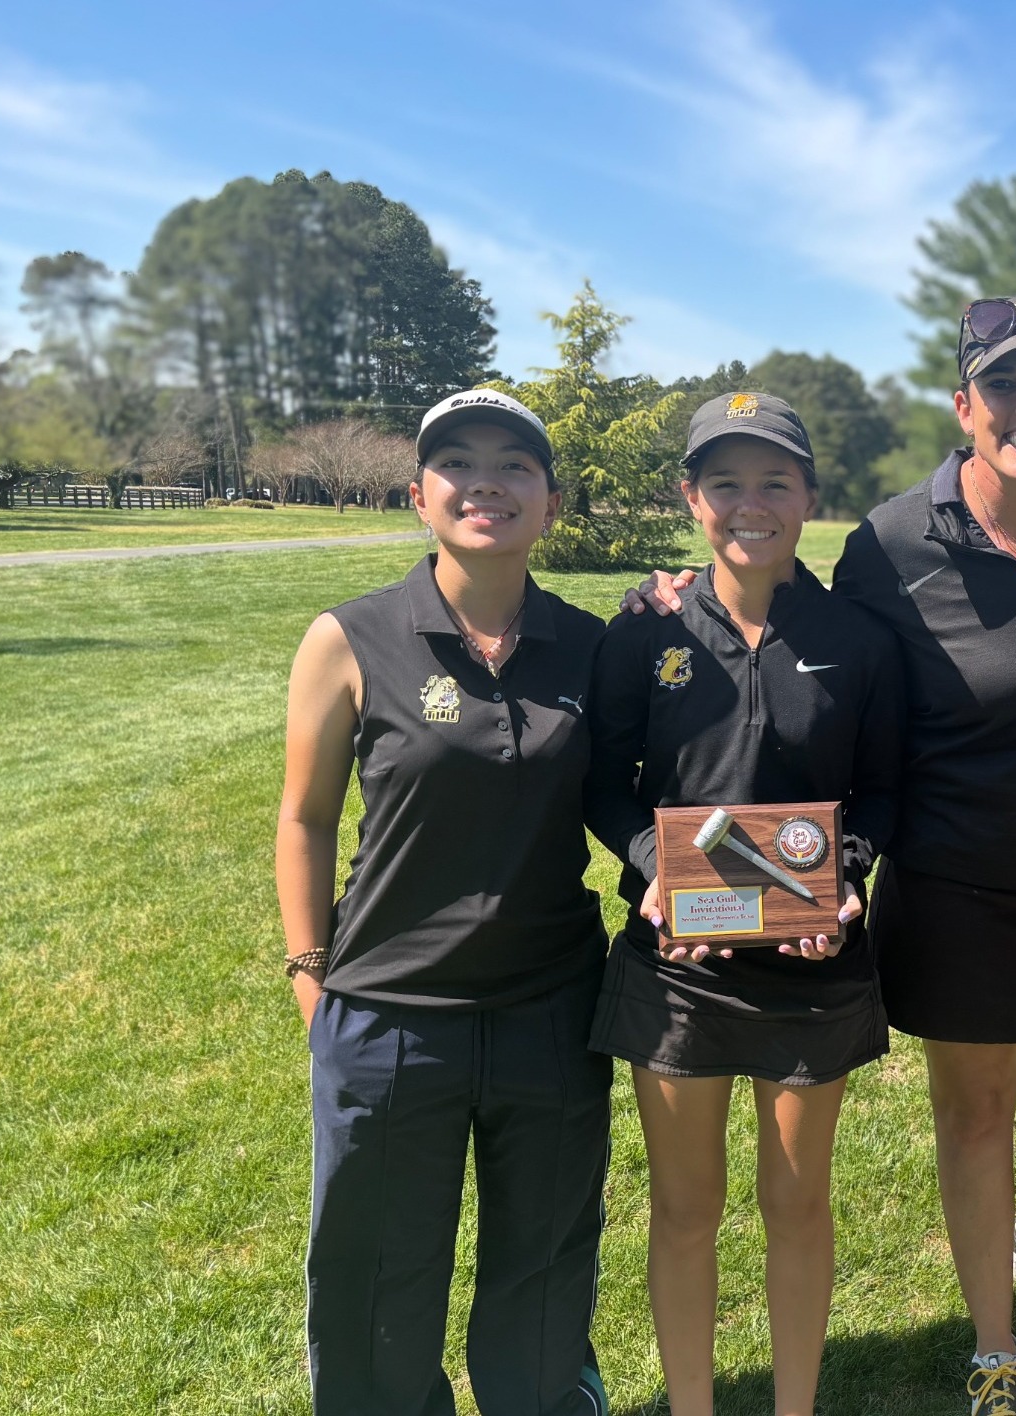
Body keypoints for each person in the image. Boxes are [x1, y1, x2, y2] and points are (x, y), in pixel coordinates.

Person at [625, 297, 1016, 1415]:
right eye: (1003, 385)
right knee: (976, 1116)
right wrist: (673, 599)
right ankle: (993, 1350)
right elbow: (808, 644)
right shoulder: (890, 540)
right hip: (956, 880)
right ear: (963, 404)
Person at [276, 388, 612, 1416]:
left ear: (550, 502)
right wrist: (310, 975)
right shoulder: (349, 637)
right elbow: (304, 818)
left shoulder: (593, 645)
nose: (484, 484)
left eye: (513, 465)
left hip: (550, 1010)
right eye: (457, 463)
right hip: (388, 1014)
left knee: (544, 1258)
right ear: (419, 495)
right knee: (377, 1270)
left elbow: (655, 793)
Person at [583, 392, 905, 1416]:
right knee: (684, 1210)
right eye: (724, 482)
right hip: (679, 970)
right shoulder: (644, 632)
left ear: (809, 496)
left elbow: (885, 789)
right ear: (691, 496)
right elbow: (604, 781)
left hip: (813, 968)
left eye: (774, 482)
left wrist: (843, 878)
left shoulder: (859, 639)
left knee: (796, 1206)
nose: (749, 504)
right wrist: (656, 867)